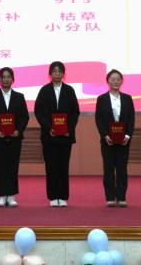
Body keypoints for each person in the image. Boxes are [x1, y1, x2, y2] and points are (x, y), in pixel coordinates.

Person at [34, 61, 80, 207]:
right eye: (54, 71)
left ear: (63, 74)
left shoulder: (69, 90)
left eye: (60, 71)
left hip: (66, 136)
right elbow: (38, 112)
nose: (57, 74)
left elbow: (75, 112)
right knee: (51, 167)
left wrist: (68, 128)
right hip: (49, 136)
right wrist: (49, 127)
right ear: (50, 74)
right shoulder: (44, 90)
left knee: (63, 166)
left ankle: (63, 196)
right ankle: (53, 196)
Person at [0, 67, 29, 207]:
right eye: (3, 77)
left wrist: (18, 130)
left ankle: (12, 195)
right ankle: (1, 195)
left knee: (13, 166)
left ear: (13, 79)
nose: (6, 79)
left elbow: (24, 117)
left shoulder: (19, 97)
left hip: (15, 138)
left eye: (9, 76)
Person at [95, 69, 135, 207]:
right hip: (108, 140)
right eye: (112, 79)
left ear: (122, 81)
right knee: (108, 168)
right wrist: (105, 135)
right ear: (108, 81)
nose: (115, 81)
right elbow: (98, 119)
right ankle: (110, 197)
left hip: (124, 140)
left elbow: (131, 119)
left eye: (118, 79)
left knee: (122, 169)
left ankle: (122, 197)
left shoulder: (127, 98)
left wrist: (128, 135)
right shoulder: (101, 99)